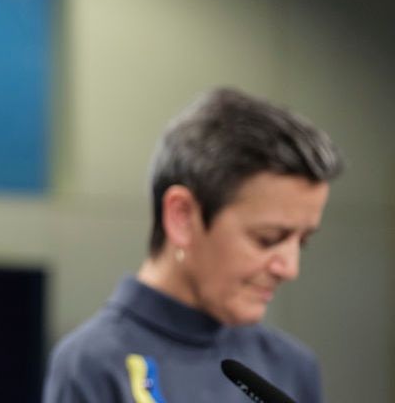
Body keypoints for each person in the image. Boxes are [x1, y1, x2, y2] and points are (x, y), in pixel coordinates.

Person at [42, 87, 342, 403]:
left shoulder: (290, 366)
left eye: (303, 242)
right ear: (182, 216)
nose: (290, 268)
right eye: (267, 239)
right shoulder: (93, 364)